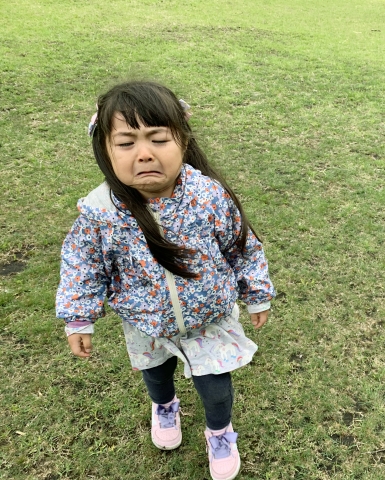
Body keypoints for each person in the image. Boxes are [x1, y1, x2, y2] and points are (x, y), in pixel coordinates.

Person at [56, 81, 276, 480]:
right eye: (126, 143)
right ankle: (165, 407)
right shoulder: (100, 213)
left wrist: (257, 292)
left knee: (216, 390)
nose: (144, 153)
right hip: (147, 326)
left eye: (158, 139)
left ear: (183, 141)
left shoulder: (209, 196)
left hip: (210, 320)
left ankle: (220, 432)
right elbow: (82, 266)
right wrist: (78, 317)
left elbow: (241, 245)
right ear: (105, 149)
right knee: (156, 377)